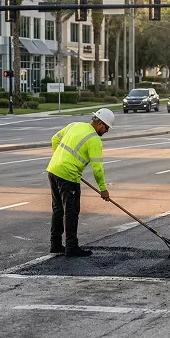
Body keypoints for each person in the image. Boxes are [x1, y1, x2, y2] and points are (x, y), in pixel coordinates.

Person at [46, 109, 114, 257]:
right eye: (107, 127)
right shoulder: (94, 140)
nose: (107, 131)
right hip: (68, 176)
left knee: (58, 210)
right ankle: (71, 247)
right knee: (71, 211)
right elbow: (98, 169)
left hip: (53, 170)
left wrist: (61, 159)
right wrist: (103, 189)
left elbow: (54, 140)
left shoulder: (74, 125)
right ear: (100, 123)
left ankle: (55, 244)